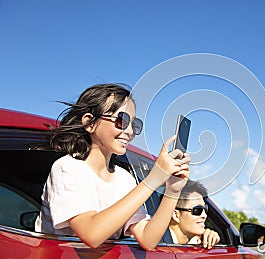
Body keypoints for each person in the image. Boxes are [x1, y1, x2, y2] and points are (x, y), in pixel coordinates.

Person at [35, 83, 190, 250]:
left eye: (134, 124)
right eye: (122, 120)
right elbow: (92, 235)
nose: (130, 132)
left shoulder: (125, 179)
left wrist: (173, 191)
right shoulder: (67, 167)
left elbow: (147, 239)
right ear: (90, 123)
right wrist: (153, 179)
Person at [168, 180, 220, 249]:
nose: (204, 215)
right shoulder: (155, 240)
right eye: (197, 210)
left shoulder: (196, 242)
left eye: (205, 209)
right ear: (176, 215)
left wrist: (211, 238)